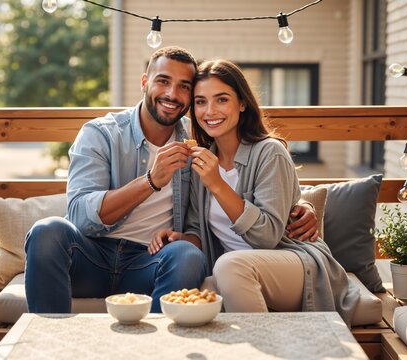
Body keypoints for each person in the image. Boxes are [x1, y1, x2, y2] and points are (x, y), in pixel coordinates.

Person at [25, 47, 317, 313]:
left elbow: (257, 179)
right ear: (144, 83)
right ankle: (47, 342)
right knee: (47, 231)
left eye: (184, 88)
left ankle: (156, 349)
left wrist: (303, 202)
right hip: (93, 256)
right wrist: (151, 180)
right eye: (163, 81)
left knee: (187, 255)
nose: (172, 94)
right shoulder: (101, 134)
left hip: (150, 262)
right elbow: (79, 215)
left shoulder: (197, 143)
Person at [148, 59, 360, 325]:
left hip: (294, 264)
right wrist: (180, 238)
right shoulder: (202, 162)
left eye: (221, 99)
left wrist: (218, 184)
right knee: (188, 299)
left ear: (242, 103)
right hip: (238, 271)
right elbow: (197, 231)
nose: (210, 111)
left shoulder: (270, 153)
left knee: (229, 266)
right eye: (201, 101)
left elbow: (266, 237)